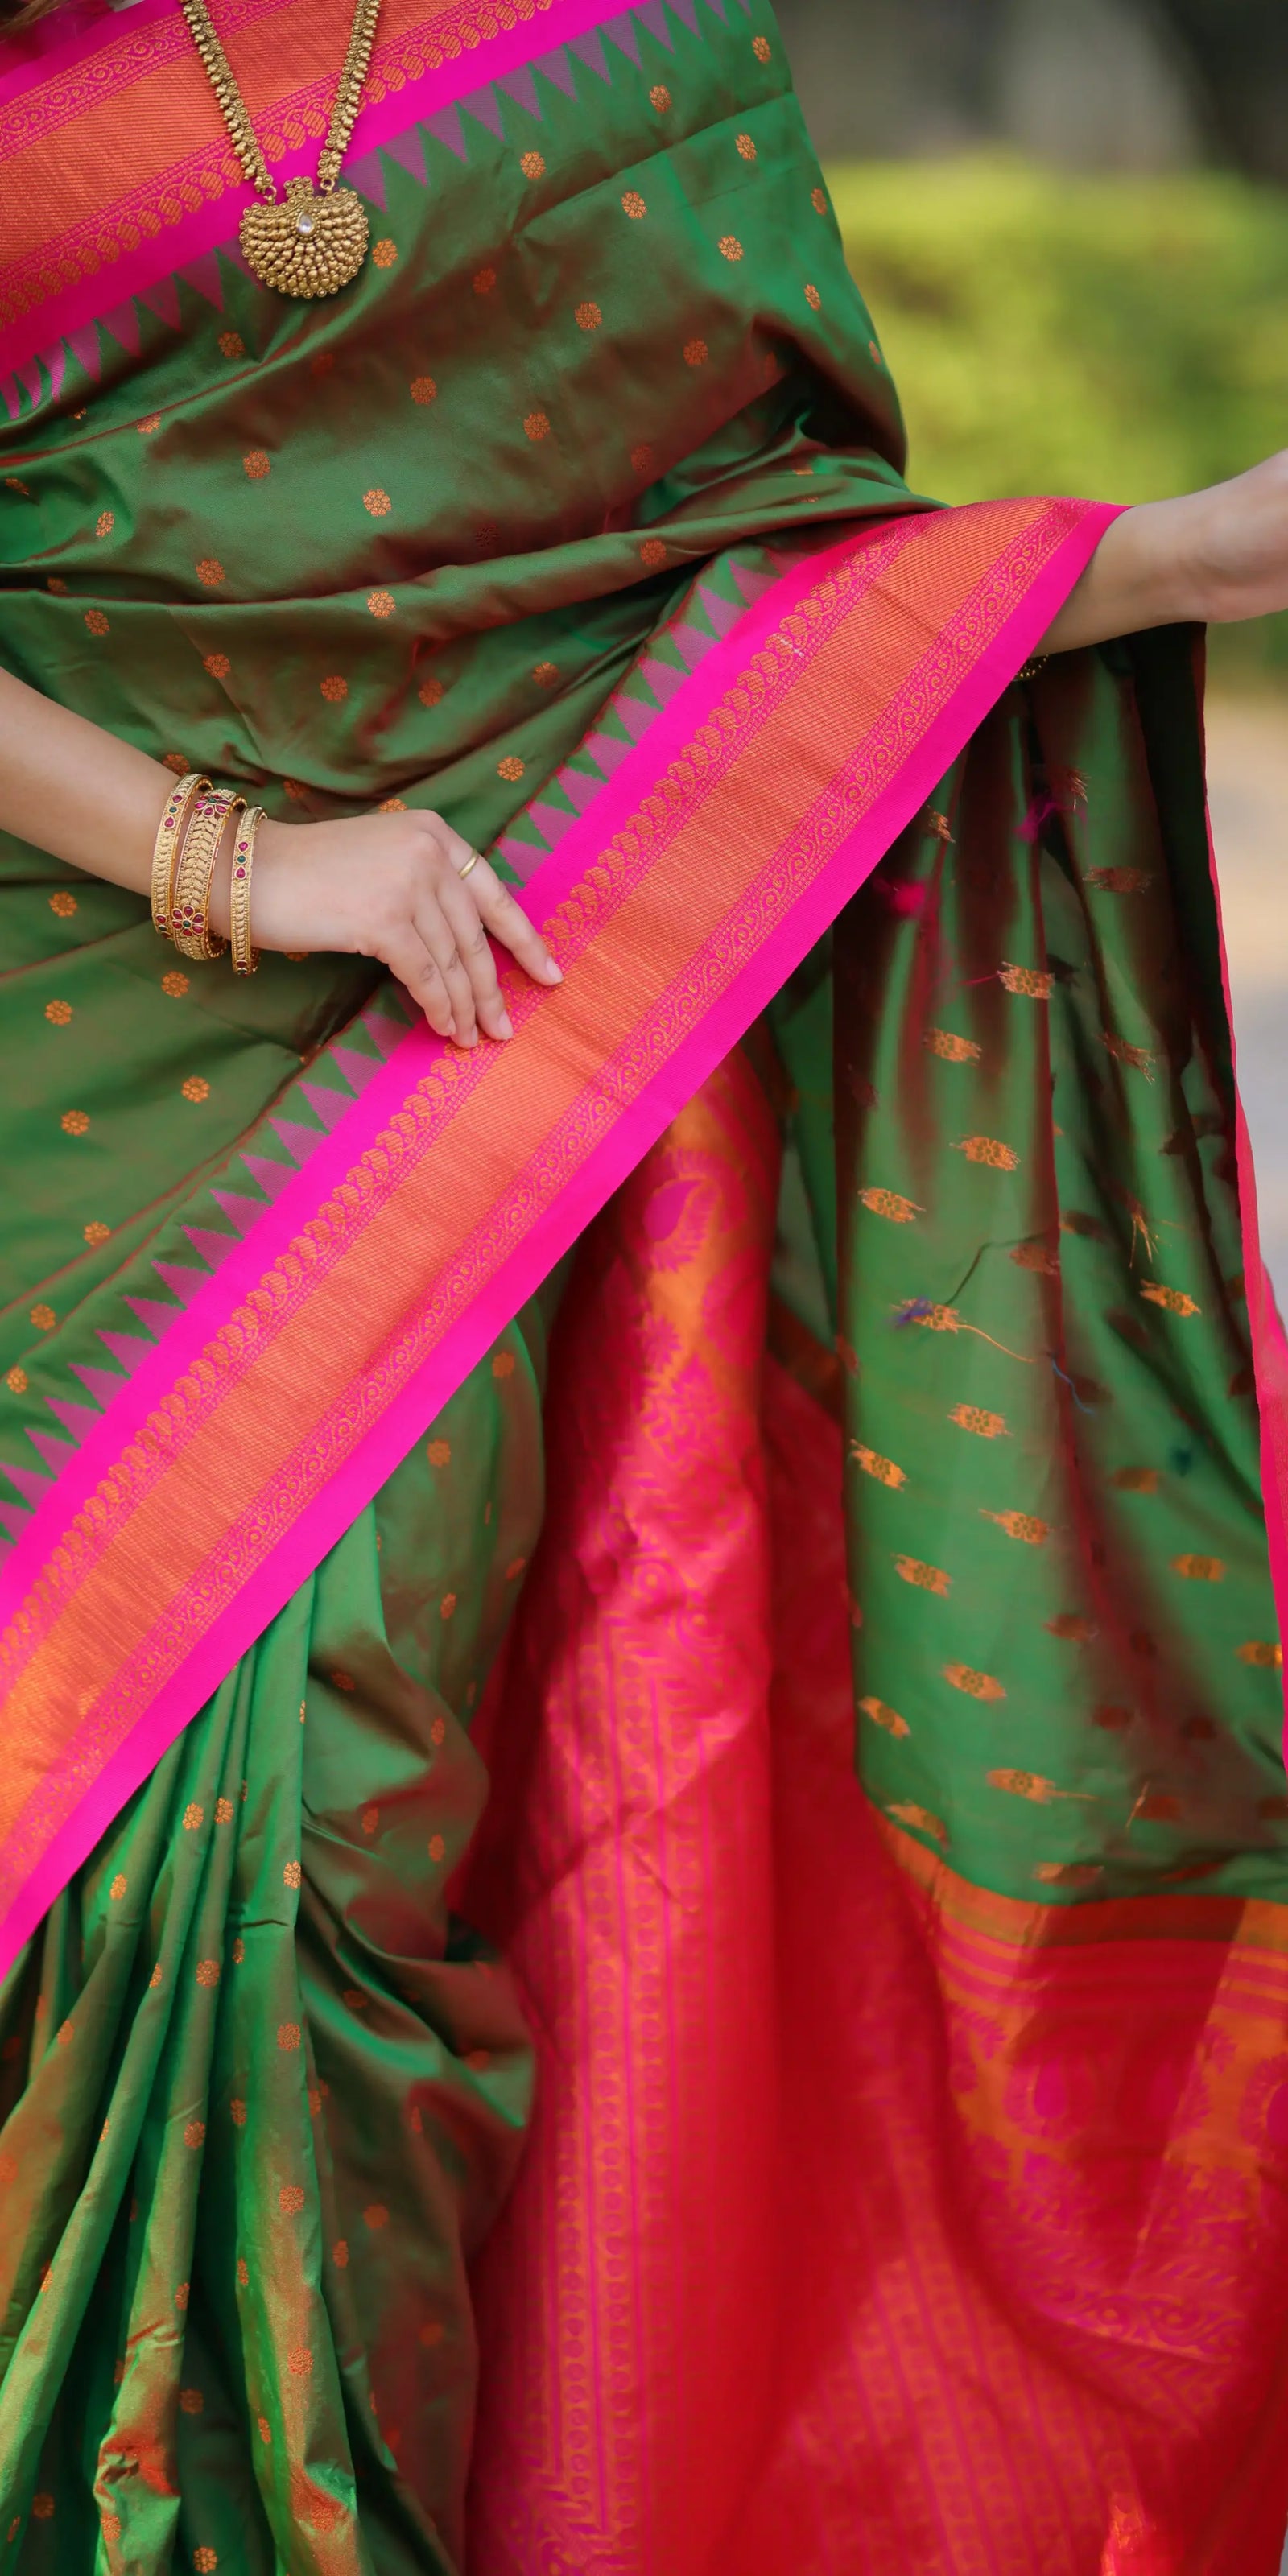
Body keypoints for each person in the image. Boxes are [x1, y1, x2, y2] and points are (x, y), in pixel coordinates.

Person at [2, 0, 1287, 2566]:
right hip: (64, 1059)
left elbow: (705, 619)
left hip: (442, 1083)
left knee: (308, 1858)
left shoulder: (615, 56)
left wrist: (1153, 562)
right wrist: (242, 860)